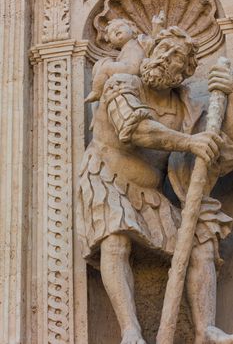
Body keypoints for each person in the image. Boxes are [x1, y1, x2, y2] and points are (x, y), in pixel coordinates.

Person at [77, 25, 233, 344]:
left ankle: (205, 330)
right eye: (163, 50)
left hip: (153, 194)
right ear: (151, 51)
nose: (166, 59)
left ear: (186, 71)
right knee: (115, 238)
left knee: (202, 241)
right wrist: (190, 142)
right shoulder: (121, 83)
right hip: (108, 178)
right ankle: (130, 330)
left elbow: (217, 150)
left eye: (177, 56)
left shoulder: (186, 106)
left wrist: (230, 101)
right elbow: (134, 130)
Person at [85, 18, 145, 103]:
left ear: (132, 28)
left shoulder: (138, 42)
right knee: (105, 62)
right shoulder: (122, 53)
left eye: (120, 26)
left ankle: (96, 91)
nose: (116, 29)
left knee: (106, 67)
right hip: (129, 70)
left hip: (133, 68)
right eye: (111, 31)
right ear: (111, 43)